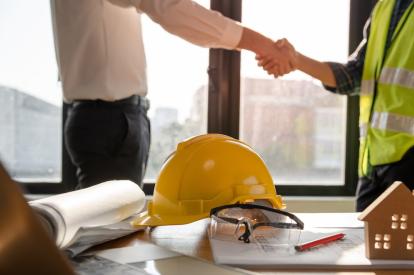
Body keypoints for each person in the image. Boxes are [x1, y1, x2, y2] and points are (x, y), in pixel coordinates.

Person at [259, 0, 414, 211]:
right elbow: (353, 75)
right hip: (372, 165)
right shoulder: (386, 5)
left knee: (408, 259)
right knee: (368, 255)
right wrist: (296, 59)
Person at [51, 0, 292, 189]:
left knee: (102, 230)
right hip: (110, 120)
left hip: (103, 118)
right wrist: (264, 45)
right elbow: (172, 9)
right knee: (107, 234)